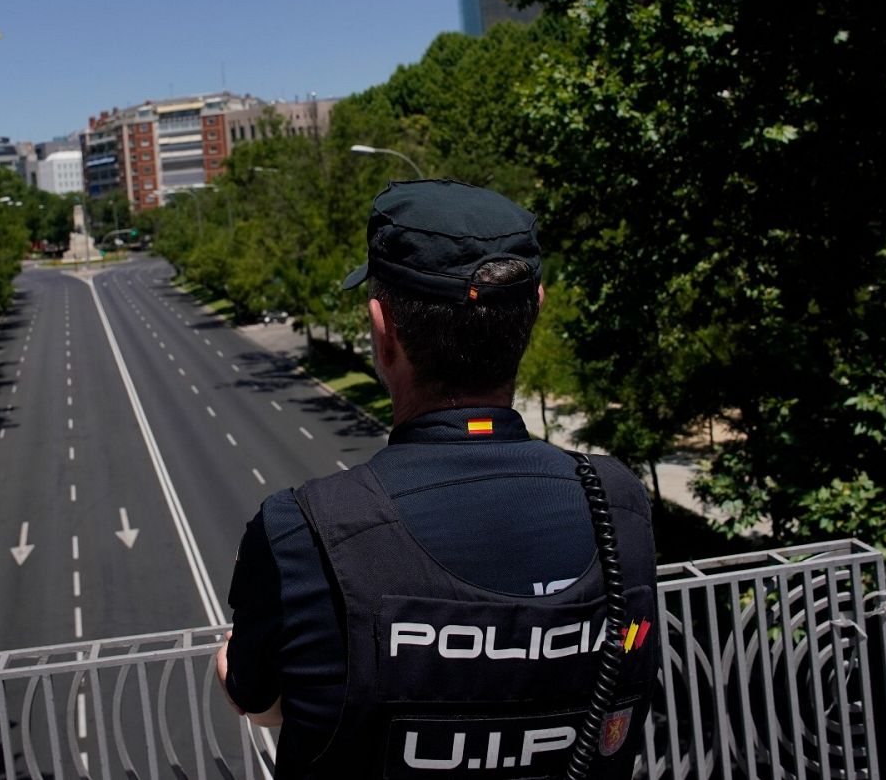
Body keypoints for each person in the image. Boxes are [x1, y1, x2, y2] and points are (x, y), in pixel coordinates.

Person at [217, 179, 659, 779]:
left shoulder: (301, 531)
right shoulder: (620, 502)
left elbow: (253, 694)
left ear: (383, 329)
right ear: (536, 310)